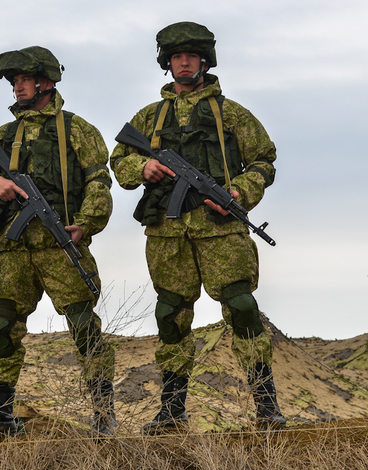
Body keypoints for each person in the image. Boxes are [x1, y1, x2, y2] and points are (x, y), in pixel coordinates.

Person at [109, 22, 286, 432]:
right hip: (168, 235)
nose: (183, 62)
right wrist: (143, 166)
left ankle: (266, 406)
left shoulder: (232, 114)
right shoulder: (148, 118)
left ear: (204, 61)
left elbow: (264, 160)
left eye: (190, 56)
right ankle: (171, 410)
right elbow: (119, 161)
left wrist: (239, 192)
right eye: (175, 57)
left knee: (242, 309)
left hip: (221, 230)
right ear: (166, 63)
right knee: (171, 315)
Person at [0, 46, 116, 438]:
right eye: (14, 81)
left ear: (46, 82)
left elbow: (99, 183)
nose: (17, 87)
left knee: (84, 326)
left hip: (61, 246)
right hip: (14, 251)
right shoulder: (4, 135)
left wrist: (85, 225)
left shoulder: (78, 130)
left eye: (24, 80)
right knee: (3, 328)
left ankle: (104, 415)